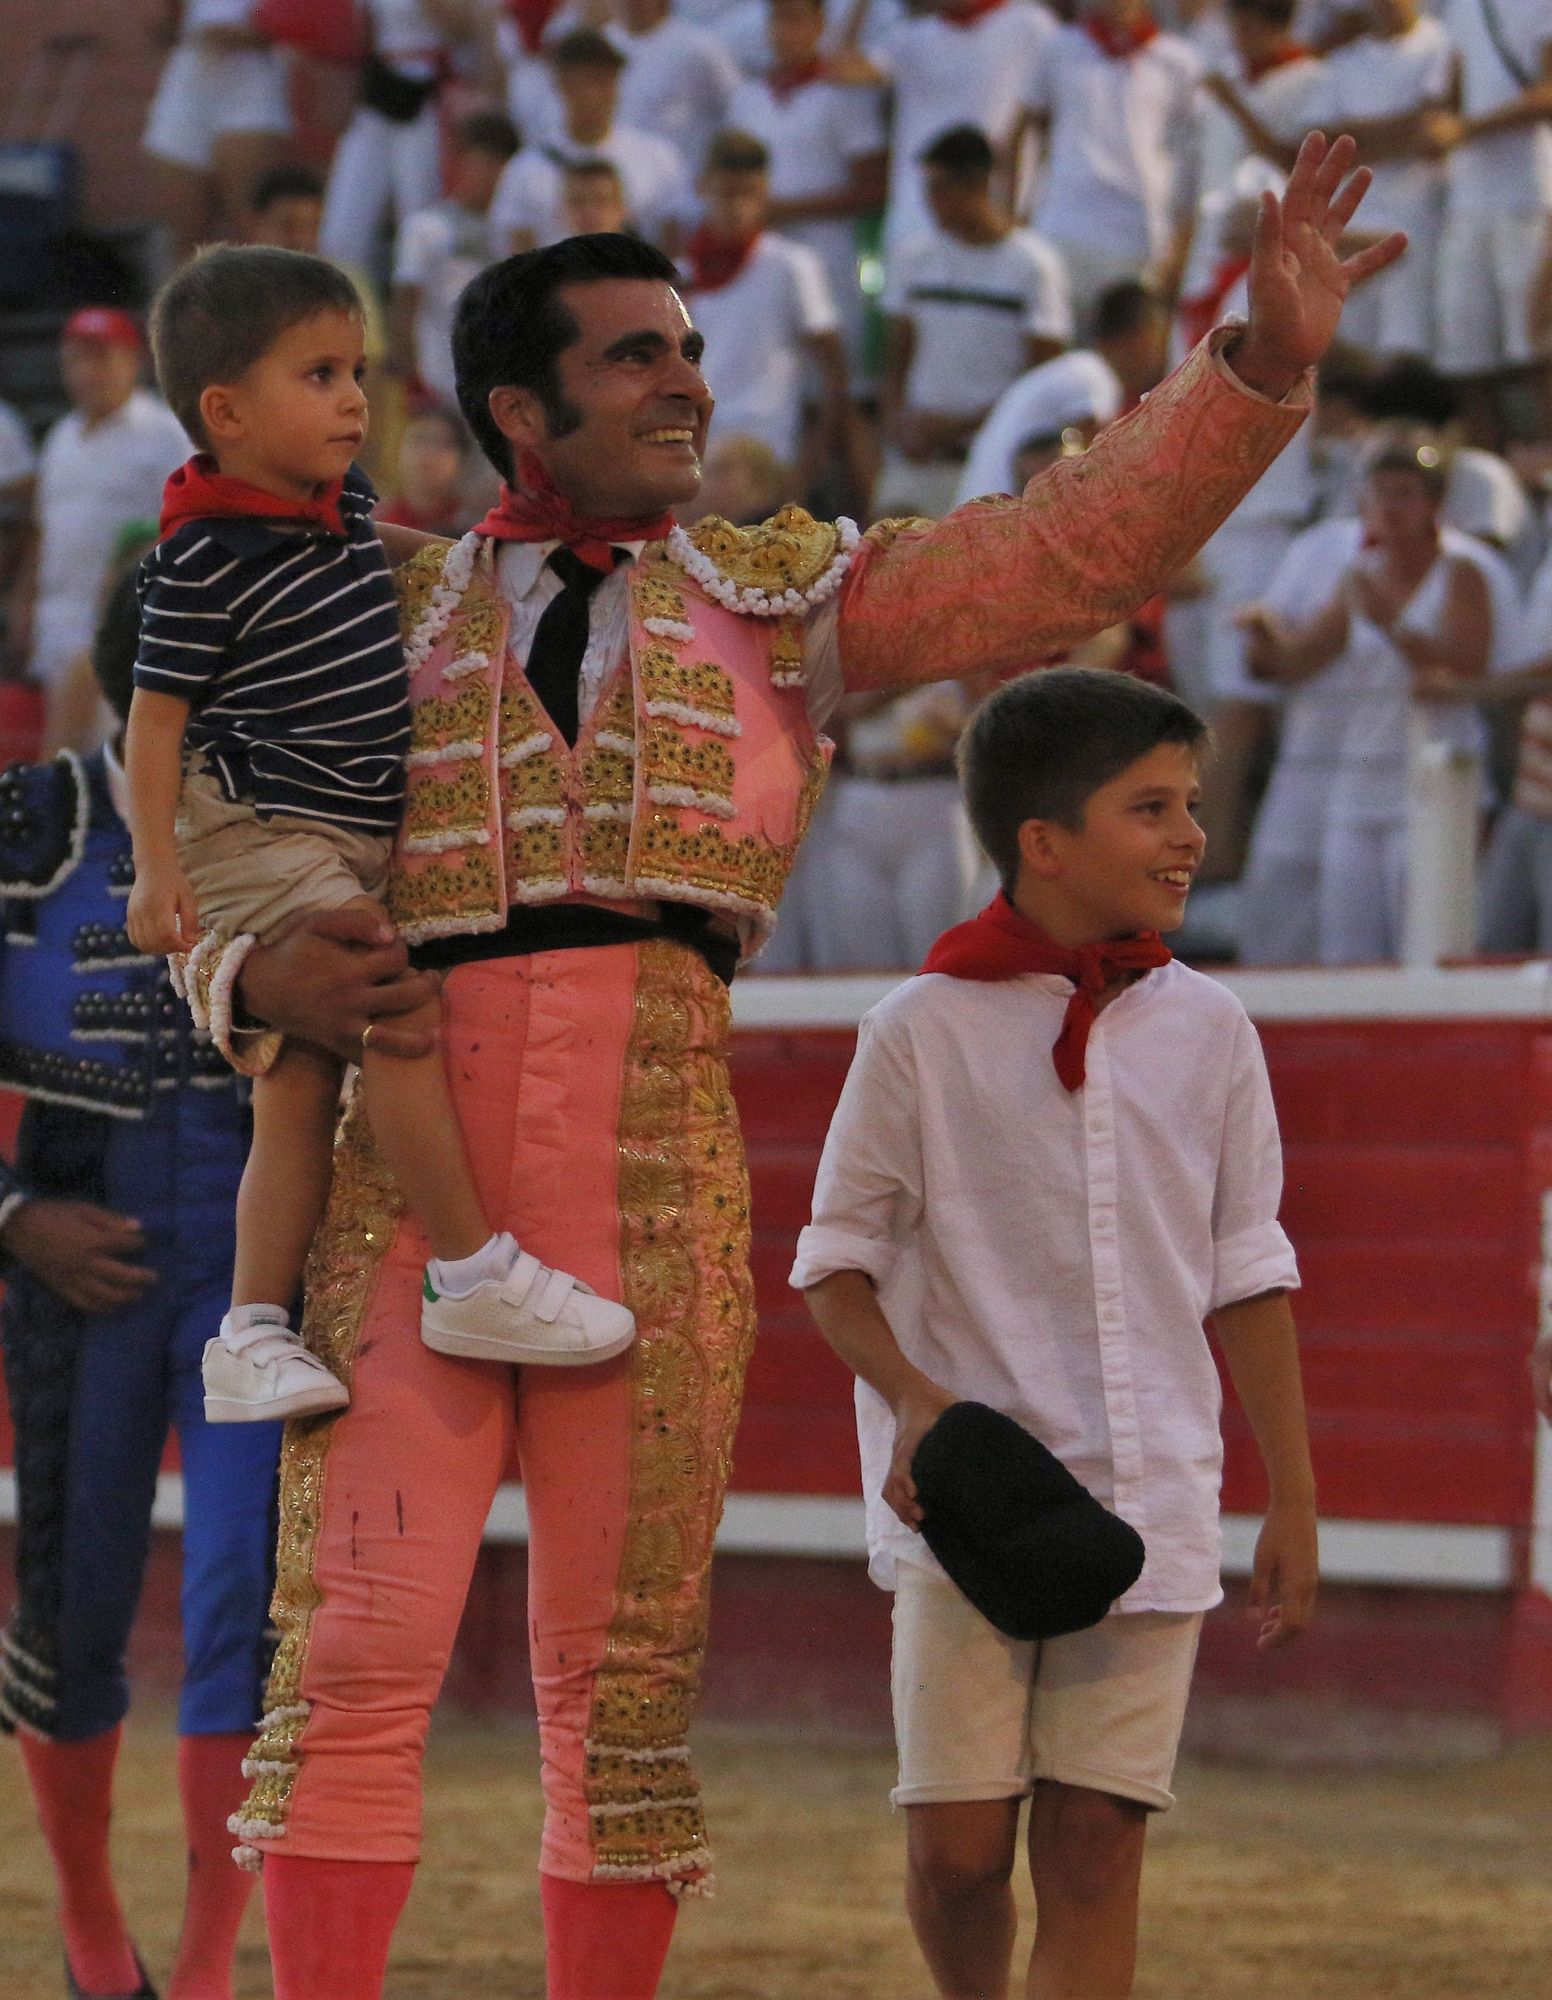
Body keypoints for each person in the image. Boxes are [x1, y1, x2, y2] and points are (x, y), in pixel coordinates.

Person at [185, 141, 1399, 2000]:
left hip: (651, 1190)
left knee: (623, 1700)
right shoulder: (374, 606)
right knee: (347, 1662)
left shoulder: (780, 604)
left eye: (690, 344)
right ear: (519, 409)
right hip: (396, 1201)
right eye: (634, 356)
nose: (690, 377)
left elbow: (1063, 550)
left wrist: (1247, 376)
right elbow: (197, 853)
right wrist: (255, 959)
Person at [793, 666, 1317, 2000]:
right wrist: (918, 1402)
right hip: (971, 1496)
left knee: (1095, 1846)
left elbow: (1247, 1268)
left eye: (1191, 804)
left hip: (1154, 1488)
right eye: (1150, 808)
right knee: (960, 1853)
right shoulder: (917, 1029)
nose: (1191, 836)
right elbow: (832, 1269)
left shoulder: (1212, 1028)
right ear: (1044, 841)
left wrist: (1295, 1497)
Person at [125, 246, 634, 1424]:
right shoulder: (200, 556)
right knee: (393, 1012)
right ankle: (471, 1268)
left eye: (357, 369)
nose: (356, 397)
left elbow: (386, 555)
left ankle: (250, 1327)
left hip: (341, 825)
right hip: (259, 822)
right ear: (227, 412)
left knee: (300, 1082)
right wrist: (157, 869)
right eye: (319, 374)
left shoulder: (334, 504)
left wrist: (478, 567)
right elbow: (154, 724)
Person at [0, 568, 280, 2000]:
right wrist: (11, 1211)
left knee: (244, 1600)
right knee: (76, 1596)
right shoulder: (26, 827)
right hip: (84, 1266)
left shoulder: (294, 835)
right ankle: (100, 1941)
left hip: (252, 1278)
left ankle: (212, 1962)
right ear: (135, 698)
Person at [1237, 432, 1514, 962]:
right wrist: (1265, 632)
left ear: (1433, 503)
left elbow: (1464, 665)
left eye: (1405, 493)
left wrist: (1391, 621)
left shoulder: (1461, 573)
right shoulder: (1357, 577)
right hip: (1358, 782)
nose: (1389, 507)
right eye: (1379, 492)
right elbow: (1303, 660)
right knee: (1348, 944)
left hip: (1433, 781)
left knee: (1428, 937)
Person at [876, 124, 1073, 519]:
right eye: (928, 188)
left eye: (941, 188)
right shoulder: (913, 257)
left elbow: (1044, 375)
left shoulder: (1033, 266)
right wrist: (897, 421)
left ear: (979, 184)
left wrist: (961, 425)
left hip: (995, 456)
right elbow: (896, 354)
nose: (931, 201)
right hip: (919, 456)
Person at [13, 311, 190, 741]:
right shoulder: (60, 435)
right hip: (56, 620)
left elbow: (186, 521)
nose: (87, 373)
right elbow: (43, 529)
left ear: (134, 361)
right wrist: (24, 599)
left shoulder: (164, 433)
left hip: (121, 623)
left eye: (101, 359)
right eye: (76, 361)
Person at [680, 128, 856, 500]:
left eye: (750, 193)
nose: (738, 206)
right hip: (697, 448)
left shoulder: (792, 265)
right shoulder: (680, 272)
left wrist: (809, 465)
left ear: (766, 193)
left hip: (767, 450)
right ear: (702, 188)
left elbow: (835, 373)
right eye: (728, 192)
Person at [726, 0, 888, 370]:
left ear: (819, 24)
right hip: (761, 257)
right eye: (777, 19)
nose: (784, 31)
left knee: (832, 369)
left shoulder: (844, 95)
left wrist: (787, 210)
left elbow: (874, 188)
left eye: (795, 19)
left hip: (828, 254)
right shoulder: (747, 99)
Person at [1024, 0, 1203, 324]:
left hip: (1138, 233)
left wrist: (1179, 242)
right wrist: (1020, 210)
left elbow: (1191, 158)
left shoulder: (1179, 61)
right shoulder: (1059, 48)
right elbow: (1029, 130)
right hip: (1063, 223)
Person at [1427, 0, 1552, 442]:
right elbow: (1454, 96)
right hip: (1467, 200)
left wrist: (1466, 130)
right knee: (1465, 357)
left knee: (1537, 350)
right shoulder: (1461, 7)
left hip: (1528, 196)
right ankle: (1497, 471)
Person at [955, 279, 1169, 503]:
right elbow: (1088, 474)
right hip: (996, 519)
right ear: (1140, 337)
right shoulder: (1093, 377)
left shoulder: (1077, 369)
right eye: (1159, 339)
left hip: (983, 511)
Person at [489, 28, 691, 254]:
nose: (596, 94)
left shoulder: (659, 158)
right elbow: (516, 257)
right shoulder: (527, 169)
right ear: (562, 85)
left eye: (606, 81)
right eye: (586, 81)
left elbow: (673, 248)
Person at [318, 0, 478, 271]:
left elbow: (464, 27)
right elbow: (363, 34)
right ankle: (338, 296)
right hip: (379, 90)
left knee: (420, 212)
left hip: (425, 96)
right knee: (343, 220)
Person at [142, 0, 294, 265]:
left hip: (250, 87)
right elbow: (164, 23)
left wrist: (248, 32)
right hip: (188, 83)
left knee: (252, 233)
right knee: (186, 242)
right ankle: (186, 305)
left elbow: (303, 23)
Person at [391, 110, 522, 410]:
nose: (492, 174)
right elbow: (404, 305)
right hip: (437, 383)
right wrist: (412, 380)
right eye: (483, 162)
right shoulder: (425, 227)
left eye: (501, 164)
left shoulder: (519, 232)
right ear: (459, 163)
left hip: (498, 389)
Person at [376, 406, 481, 537]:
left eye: (441, 443)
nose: (428, 453)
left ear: (463, 460)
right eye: (418, 439)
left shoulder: (476, 530)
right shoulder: (375, 523)